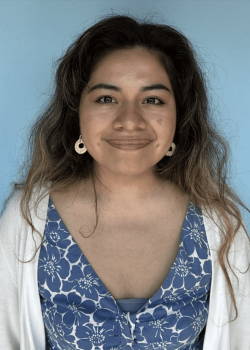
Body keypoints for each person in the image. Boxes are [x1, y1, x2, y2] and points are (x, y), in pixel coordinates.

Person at [0, 13, 250, 350]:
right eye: (106, 98)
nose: (129, 121)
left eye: (152, 100)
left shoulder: (220, 223)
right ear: (77, 111)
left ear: (180, 114)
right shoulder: (30, 218)